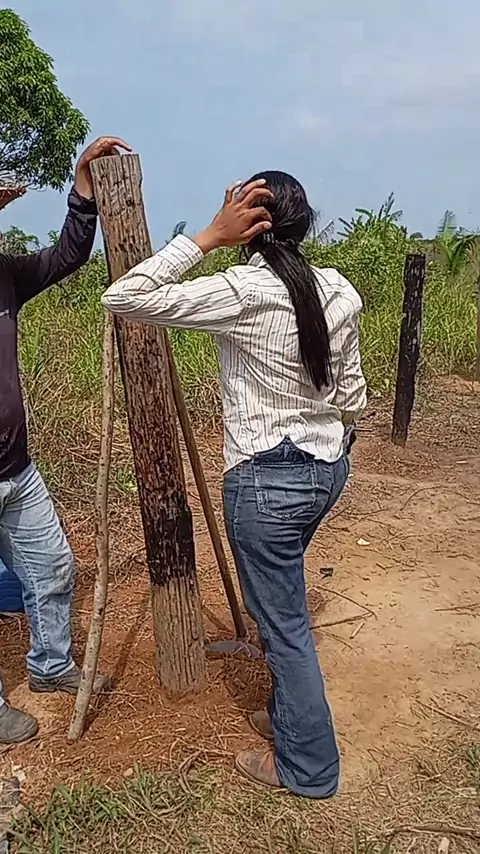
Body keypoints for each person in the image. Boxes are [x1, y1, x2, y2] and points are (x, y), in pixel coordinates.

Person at [102, 172, 367, 798]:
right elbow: (352, 394)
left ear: (249, 223)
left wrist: (207, 237)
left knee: (284, 627)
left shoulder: (244, 291)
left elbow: (123, 295)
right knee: (284, 603)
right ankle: (288, 717)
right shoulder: (337, 289)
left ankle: (309, 768)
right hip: (326, 470)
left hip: (266, 483)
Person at [0, 135, 131, 745]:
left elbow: (67, 257)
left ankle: (51, 666)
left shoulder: (4, 276)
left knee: (53, 566)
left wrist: (82, 190)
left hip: (15, 468)